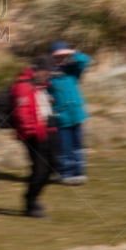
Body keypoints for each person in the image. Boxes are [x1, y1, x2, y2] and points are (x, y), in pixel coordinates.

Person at [10, 56, 59, 217]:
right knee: (40, 170)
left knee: (51, 166)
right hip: (33, 135)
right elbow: (22, 114)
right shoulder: (23, 86)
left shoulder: (38, 85)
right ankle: (30, 204)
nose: (49, 75)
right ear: (39, 70)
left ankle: (33, 198)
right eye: (48, 72)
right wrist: (34, 131)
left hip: (44, 132)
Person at [47, 41, 91, 185]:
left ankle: (78, 172)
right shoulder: (49, 77)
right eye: (57, 57)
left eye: (63, 56)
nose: (61, 59)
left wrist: (73, 53)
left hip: (77, 115)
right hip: (62, 118)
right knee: (65, 148)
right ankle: (66, 174)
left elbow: (86, 61)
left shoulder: (72, 71)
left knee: (78, 146)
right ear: (52, 58)